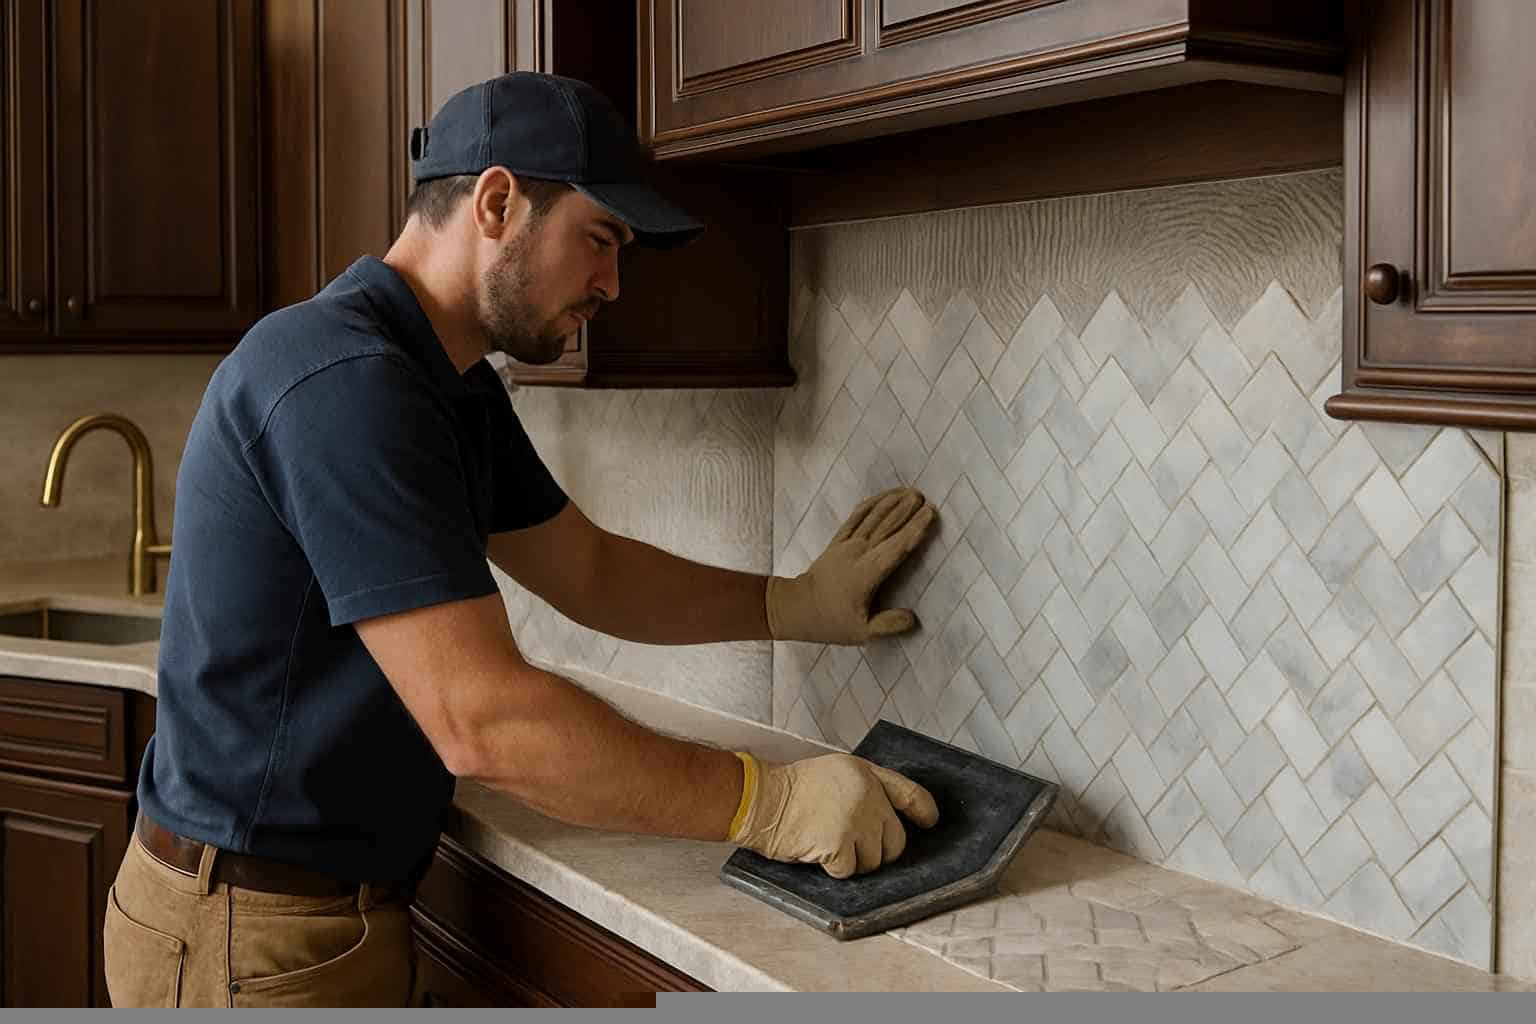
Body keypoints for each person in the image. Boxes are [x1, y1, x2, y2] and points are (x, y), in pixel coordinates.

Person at [102, 72, 939, 1008]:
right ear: (497, 202)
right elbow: (485, 723)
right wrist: (771, 802)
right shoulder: (347, 381)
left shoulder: (445, 384)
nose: (614, 285)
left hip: (311, 919)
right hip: (245, 939)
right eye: (600, 238)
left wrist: (790, 602)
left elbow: (590, 568)